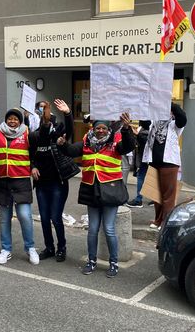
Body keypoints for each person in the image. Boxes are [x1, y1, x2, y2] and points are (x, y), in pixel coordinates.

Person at [58, 113, 135, 278]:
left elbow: (128, 146)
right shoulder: (86, 142)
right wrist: (63, 144)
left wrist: (127, 129)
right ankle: (91, 261)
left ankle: (113, 263)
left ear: (108, 129)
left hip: (111, 192)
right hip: (91, 191)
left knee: (108, 229)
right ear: (93, 128)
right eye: (98, 127)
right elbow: (71, 151)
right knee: (92, 229)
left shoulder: (115, 144)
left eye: (104, 128)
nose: (101, 130)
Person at [0, 107, 40, 265]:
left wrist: (34, 166)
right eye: (10, 118)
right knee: (4, 219)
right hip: (2, 182)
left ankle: (30, 248)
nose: (12, 121)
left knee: (25, 216)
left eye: (16, 119)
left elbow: (35, 153)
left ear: (20, 121)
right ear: (5, 119)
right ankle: (6, 249)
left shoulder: (27, 133)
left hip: (21, 181)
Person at [29, 99, 77, 262]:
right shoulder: (35, 136)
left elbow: (70, 130)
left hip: (58, 183)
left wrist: (68, 113)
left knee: (55, 217)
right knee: (44, 218)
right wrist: (32, 167)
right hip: (41, 184)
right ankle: (49, 247)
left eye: (46, 112)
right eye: (42, 112)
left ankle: (61, 248)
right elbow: (30, 156)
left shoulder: (58, 133)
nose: (45, 115)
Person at [142, 103, 187, 230]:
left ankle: (165, 222)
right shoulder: (153, 124)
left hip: (169, 163)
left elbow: (182, 117)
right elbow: (144, 120)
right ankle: (158, 219)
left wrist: (166, 101)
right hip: (154, 161)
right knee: (156, 194)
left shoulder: (175, 125)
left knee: (168, 195)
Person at [126, 120, 151, 208]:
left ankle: (138, 199)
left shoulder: (143, 133)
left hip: (144, 158)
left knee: (141, 176)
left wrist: (136, 134)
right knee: (153, 177)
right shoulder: (153, 130)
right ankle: (155, 199)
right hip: (152, 158)